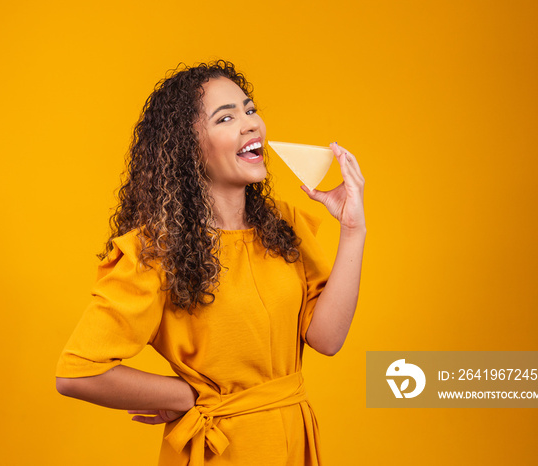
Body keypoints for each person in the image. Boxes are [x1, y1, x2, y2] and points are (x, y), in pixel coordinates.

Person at [56, 60, 366, 465]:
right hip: (222, 451)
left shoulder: (284, 226)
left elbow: (327, 339)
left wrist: (353, 229)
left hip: (293, 442)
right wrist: (188, 395)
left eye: (250, 110)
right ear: (189, 147)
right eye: (226, 118)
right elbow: (77, 371)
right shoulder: (153, 253)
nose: (250, 124)